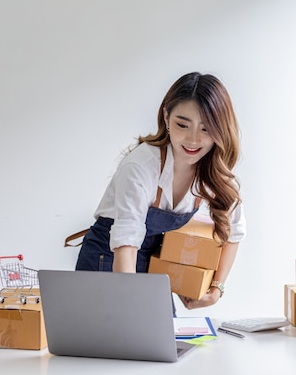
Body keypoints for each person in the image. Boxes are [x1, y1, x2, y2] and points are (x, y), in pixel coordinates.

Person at [74, 72, 245, 309]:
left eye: (206, 129)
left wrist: (216, 290)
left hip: (153, 265)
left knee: (160, 342)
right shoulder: (140, 166)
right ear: (166, 116)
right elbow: (126, 241)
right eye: (182, 125)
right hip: (108, 259)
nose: (193, 140)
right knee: (105, 338)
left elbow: (235, 232)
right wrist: (128, 304)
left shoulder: (213, 174)